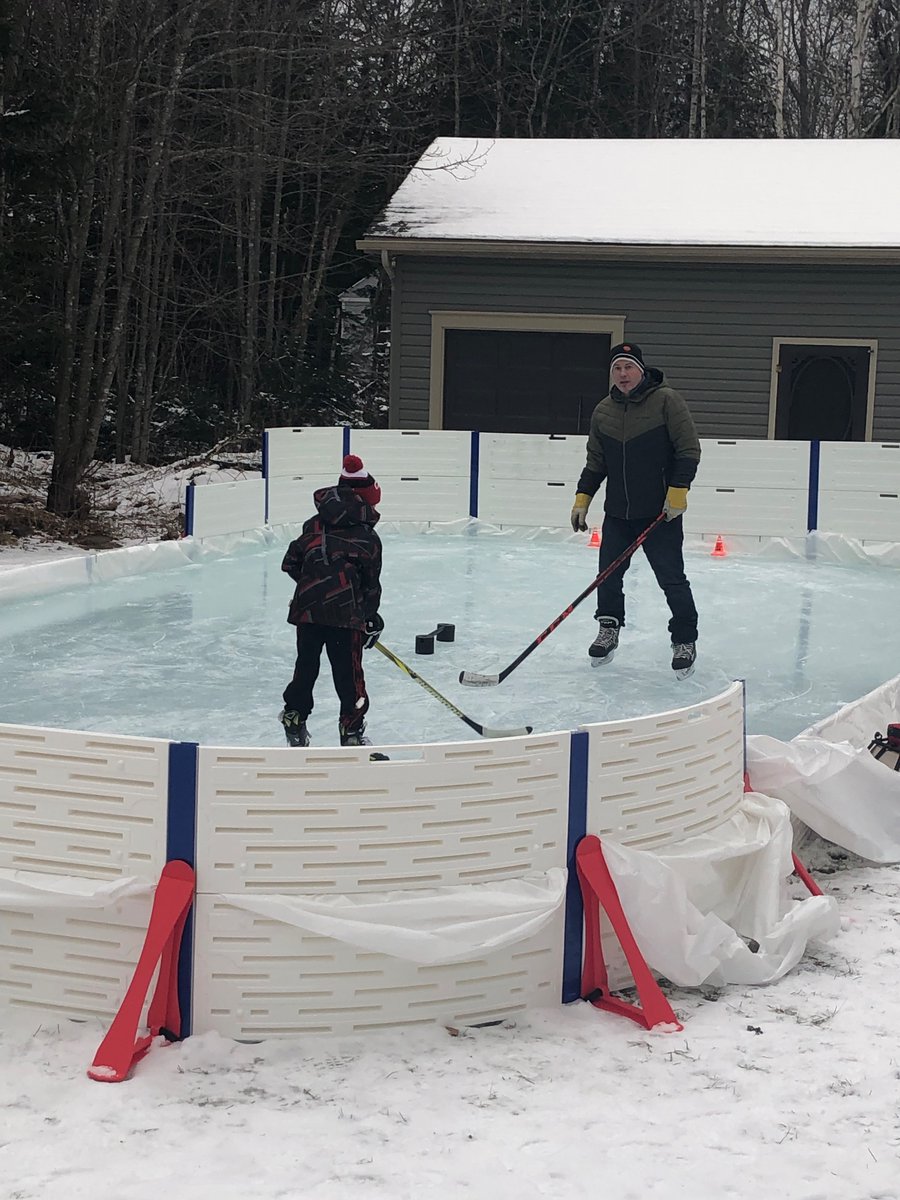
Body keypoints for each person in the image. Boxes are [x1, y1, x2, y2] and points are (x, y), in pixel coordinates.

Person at [570, 342, 701, 677]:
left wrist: (678, 491)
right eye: (617, 368)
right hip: (618, 513)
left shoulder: (666, 401)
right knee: (608, 577)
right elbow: (596, 462)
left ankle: (684, 639)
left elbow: (688, 449)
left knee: (671, 580)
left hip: (660, 513)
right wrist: (582, 498)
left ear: (641, 370)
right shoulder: (603, 411)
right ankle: (609, 629)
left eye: (628, 367)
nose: (623, 374)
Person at [279, 454, 384, 747]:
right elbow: (370, 584)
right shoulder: (367, 537)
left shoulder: (313, 525)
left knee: (306, 666)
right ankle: (350, 731)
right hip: (345, 617)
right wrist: (370, 616)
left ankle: (294, 716)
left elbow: (290, 563)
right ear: (364, 501)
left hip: (308, 613)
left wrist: (315, 584)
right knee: (349, 675)